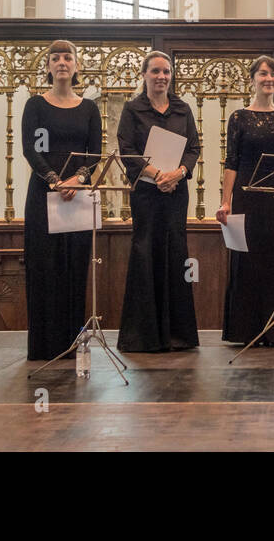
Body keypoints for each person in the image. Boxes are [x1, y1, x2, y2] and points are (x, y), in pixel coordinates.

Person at [20, 40, 103, 361]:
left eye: (68, 57)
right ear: (49, 67)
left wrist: (77, 179)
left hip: (78, 196)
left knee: (74, 268)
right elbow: (30, 148)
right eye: (55, 58)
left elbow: (94, 152)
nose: (62, 62)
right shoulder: (35, 105)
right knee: (45, 268)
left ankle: (71, 344)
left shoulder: (89, 108)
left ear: (76, 66)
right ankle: (43, 346)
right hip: (43, 195)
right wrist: (55, 180)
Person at [217, 56, 274, 344]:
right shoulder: (239, 117)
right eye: (263, 74)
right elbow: (231, 162)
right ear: (253, 78)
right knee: (248, 259)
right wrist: (225, 201)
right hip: (248, 196)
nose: (269, 79)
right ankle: (247, 329)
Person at [116, 50, 202, 353]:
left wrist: (177, 174)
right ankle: (144, 337)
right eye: (155, 71)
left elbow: (194, 148)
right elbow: (126, 149)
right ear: (144, 75)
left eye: (166, 71)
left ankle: (179, 336)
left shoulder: (183, 109)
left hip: (176, 192)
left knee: (176, 252)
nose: (161, 76)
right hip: (147, 194)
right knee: (145, 252)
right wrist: (156, 174)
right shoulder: (132, 109)